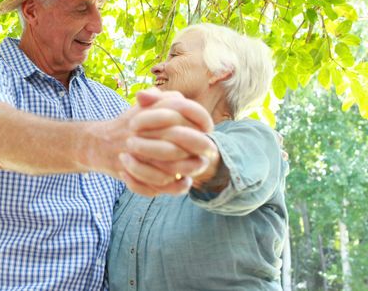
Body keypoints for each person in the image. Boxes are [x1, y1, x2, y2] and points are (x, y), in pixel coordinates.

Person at [0, 0, 216, 289]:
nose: (98, 25)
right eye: (81, 8)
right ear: (31, 11)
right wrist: (96, 145)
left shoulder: (110, 105)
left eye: (99, 6)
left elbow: (152, 209)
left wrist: (232, 143)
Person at [107, 23, 290, 290]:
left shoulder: (256, 139)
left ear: (220, 71)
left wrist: (185, 146)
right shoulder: (142, 167)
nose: (157, 67)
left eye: (176, 55)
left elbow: (222, 172)